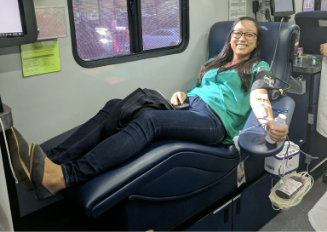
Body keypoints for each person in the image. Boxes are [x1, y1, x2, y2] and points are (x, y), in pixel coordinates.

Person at [8, 17, 289, 200]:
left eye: (249, 35)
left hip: (215, 122)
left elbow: (259, 96)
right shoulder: (215, 62)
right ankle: (52, 161)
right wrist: (183, 93)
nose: (241, 38)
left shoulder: (258, 67)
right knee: (116, 105)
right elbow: (196, 90)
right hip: (189, 108)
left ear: (256, 42)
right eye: (237, 32)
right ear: (230, 37)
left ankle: (65, 177)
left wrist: (269, 123)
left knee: (151, 121)